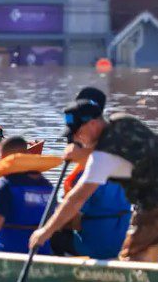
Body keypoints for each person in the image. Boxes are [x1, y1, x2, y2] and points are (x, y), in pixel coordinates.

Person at [29, 92, 158, 266]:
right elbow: (120, 150)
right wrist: (85, 153)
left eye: (77, 133)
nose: (76, 139)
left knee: (132, 257)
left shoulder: (101, 159)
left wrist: (45, 232)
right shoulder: (123, 120)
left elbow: (76, 199)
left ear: (92, 124)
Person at [48, 88, 132, 259]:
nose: (73, 143)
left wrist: (47, 224)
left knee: (49, 234)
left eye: (76, 136)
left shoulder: (87, 174)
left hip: (94, 246)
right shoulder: (119, 163)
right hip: (120, 239)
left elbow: (74, 218)